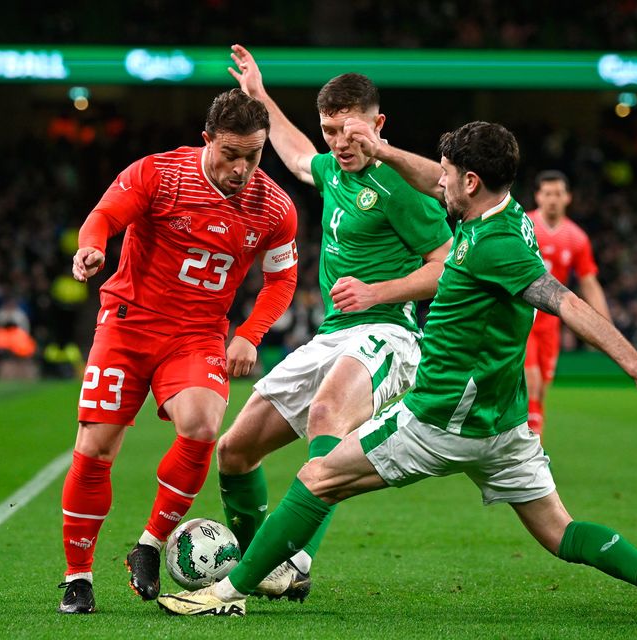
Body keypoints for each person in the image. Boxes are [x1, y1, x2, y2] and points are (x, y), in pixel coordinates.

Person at [157, 121, 637, 624]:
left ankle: (225, 593)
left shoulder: (495, 246)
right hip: (505, 426)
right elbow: (428, 177)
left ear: (470, 181)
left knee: (316, 477)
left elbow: (565, 301)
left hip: (438, 419)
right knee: (560, 533)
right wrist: (386, 152)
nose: (435, 179)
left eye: (446, 173)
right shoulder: (505, 214)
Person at [211, 44, 452, 600]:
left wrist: (377, 292)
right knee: (235, 450)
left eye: (351, 131)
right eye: (330, 131)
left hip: (389, 331)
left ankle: (293, 561)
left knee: (326, 417)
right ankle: (263, 562)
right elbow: (296, 156)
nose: (340, 144)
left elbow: (447, 266)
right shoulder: (331, 167)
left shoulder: (402, 188)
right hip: (332, 334)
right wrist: (259, 96)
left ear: (378, 125)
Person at [57, 89, 299, 614]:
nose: (241, 168)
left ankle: (148, 544)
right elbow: (103, 216)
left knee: (203, 424)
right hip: (127, 325)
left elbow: (282, 281)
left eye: (253, 157)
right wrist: (92, 246)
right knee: (97, 448)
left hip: (196, 334)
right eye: (231, 154)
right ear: (207, 139)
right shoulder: (158, 174)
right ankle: (77, 577)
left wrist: (249, 333)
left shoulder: (275, 207)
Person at [524, 171, 610, 439]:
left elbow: (589, 283)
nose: (552, 199)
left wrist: (605, 327)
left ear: (568, 198)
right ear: (538, 196)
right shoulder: (523, 224)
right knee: (532, 381)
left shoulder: (576, 238)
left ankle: (532, 436)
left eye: (558, 194)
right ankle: (530, 441)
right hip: (523, 316)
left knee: (542, 389)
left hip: (551, 322)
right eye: (547, 193)